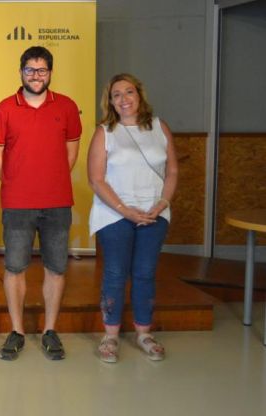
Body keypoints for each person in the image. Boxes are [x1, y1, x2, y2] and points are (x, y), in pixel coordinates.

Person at [0, 46, 82, 361]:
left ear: (50, 73)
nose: (36, 75)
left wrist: (50, 179)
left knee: (56, 267)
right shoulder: (4, 108)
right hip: (17, 203)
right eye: (30, 69)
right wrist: (17, 181)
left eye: (41, 70)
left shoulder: (67, 106)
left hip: (57, 202)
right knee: (15, 267)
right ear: (21, 72)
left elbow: (71, 151)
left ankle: (49, 331)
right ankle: (16, 331)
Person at [88, 73, 178, 363]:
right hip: (114, 215)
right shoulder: (105, 132)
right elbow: (96, 179)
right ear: (110, 102)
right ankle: (111, 335)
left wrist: (162, 203)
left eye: (129, 92)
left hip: (154, 213)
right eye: (116, 95)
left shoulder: (159, 127)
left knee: (145, 273)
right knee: (115, 273)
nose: (124, 99)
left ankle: (144, 333)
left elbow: (173, 172)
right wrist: (125, 210)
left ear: (139, 95)